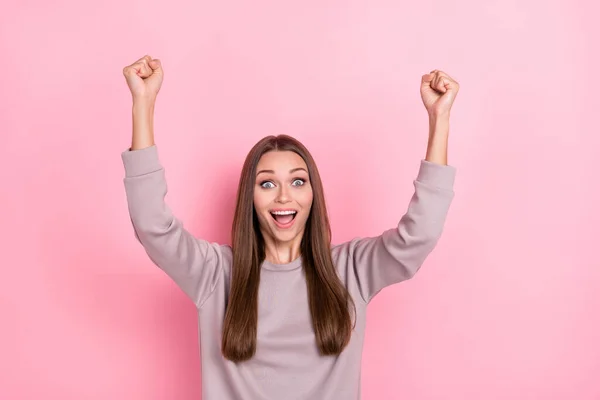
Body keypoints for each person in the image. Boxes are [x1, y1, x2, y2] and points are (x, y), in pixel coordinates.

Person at [121, 55, 459, 400]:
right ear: (249, 198)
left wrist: (439, 118)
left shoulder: (353, 269)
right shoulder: (215, 273)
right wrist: (143, 103)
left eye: (298, 182)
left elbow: (419, 236)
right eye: (267, 184)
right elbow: (152, 225)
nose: (284, 196)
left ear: (314, 193)